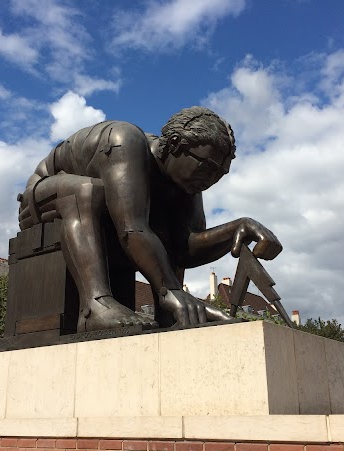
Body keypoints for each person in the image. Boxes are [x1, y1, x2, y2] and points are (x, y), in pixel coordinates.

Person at [18, 106, 282, 331]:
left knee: (161, 222)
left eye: (220, 173)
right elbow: (131, 228)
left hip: (106, 216)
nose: (211, 180)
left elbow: (183, 250)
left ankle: (168, 315)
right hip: (39, 200)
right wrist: (171, 291)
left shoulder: (187, 184)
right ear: (176, 145)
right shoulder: (126, 141)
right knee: (88, 192)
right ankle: (94, 307)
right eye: (207, 167)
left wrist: (237, 228)